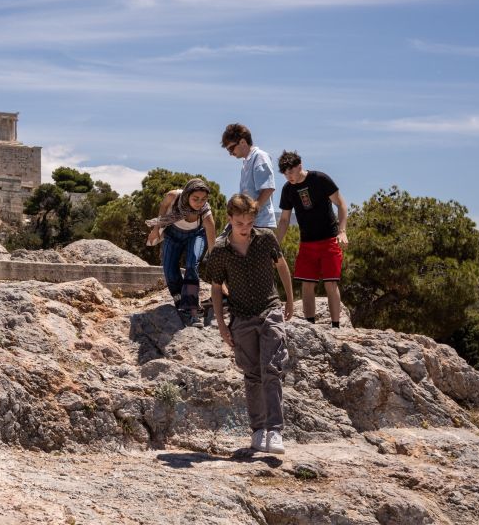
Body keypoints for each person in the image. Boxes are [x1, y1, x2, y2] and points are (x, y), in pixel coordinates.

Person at [206, 194, 294, 455]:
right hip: (241, 317)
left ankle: (275, 431)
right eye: (240, 222)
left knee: (272, 368)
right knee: (252, 374)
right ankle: (258, 431)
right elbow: (215, 288)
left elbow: (281, 265)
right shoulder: (220, 251)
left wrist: (290, 299)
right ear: (230, 219)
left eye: (249, 221)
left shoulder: (266, 238)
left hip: (270, 310)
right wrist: (222, 325)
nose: (245, 227)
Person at [276, 150, 349, 328]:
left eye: (291, 172)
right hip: (307, 242)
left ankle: (336, 327)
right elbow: (285, 219)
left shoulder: (320, 179)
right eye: (285, 174)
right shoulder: (287, 189)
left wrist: (342, 231)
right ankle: (310, 325)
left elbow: (340, 204)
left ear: (299, 165)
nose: (289, 177)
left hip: (329, 239)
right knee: (307, 284)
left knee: (331, 283)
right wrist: (275, 243)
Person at [146, 178, 217, 327]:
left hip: (196, 236)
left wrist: (218, 268)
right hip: (173, 234)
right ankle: (180, 301)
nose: (200, 203)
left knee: (192, 265)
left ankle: (191, 308)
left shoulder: (205, 214)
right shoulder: (174, 196)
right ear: (187, 195)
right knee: (169, 269)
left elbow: (212, 247)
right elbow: (164, 206)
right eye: (195, 198)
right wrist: (156, 229)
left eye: (204, 199)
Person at [221, 123, 276, 230]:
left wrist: (251, 213)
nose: (230, 153)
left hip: (259, 224)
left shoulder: (259, 156)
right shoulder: (246, 162)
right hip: (246, 222)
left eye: (231, 148)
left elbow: (268, 188)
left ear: (242, 142)